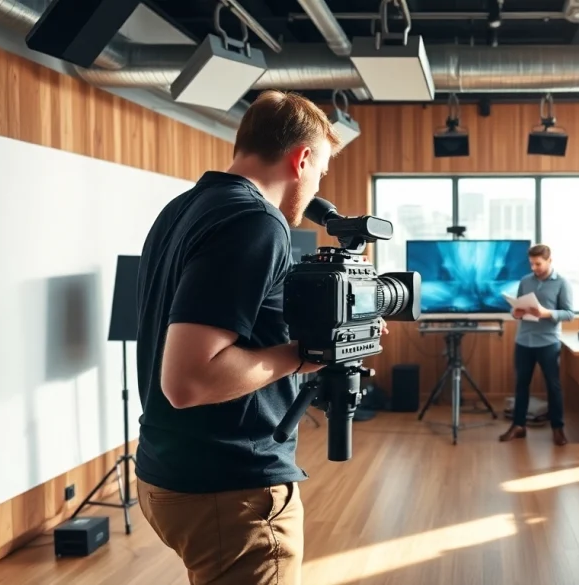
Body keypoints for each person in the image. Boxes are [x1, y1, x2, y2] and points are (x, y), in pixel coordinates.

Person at [134, 90, 349, 585]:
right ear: (302, 159)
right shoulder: (257, 222)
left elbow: (214, 322)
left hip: (169, 470)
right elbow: (188, 380)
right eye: (321, 173)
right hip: (231, 488)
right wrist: (301, 356)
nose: (317, 186)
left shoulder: (185, 208)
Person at [500, 244, 575, 446]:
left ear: (550, 260)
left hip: (548, 343)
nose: (534, 268)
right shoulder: (525, 281)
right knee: (521, 385)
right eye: (532, 264)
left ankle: (558, 429)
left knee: (554, 386)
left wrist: (547, 313)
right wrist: (514, 312)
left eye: (538, 264)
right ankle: (519, 426)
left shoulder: (562, 283)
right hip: (523, 341)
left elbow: (569, 314)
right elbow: (518, 309)